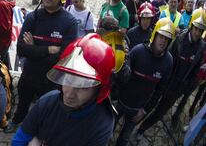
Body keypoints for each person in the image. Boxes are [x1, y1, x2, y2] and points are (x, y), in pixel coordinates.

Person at [5, 0, 78, 133]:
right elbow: (21, 49)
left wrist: (34, 49)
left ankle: (42, 130)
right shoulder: (32, 17)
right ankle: (17, 121)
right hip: (29, 75)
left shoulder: (70, 22)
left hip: (52, 80)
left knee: (47, 110)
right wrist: (48, 50)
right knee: (22, 103)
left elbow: (64, 58)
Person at [12, 33, 116, 146]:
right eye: (68, 80)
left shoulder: (102, 123)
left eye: (83, 87)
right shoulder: (47, 102)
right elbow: (18, 140)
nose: (69, 94)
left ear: (99, 89)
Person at [136, 8, 206, 138]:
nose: (197, 32)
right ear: (191, 26)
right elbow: (167, 58)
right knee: (149, 106)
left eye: (200, 30)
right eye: (196, 28)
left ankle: (142, 129)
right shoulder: (179, 39)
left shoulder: (202, 46)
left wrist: (186, 86)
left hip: (177, 88)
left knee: (160, 112)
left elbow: (196, 70)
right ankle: (135, 123)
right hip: (165, 82)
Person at [115, 18, 175, 146]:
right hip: (121, 101)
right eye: (161, 36)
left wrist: (145, 110)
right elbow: (122, 76)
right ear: (155, 35)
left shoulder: (168, 62)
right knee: (109, 129)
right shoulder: (138, 51)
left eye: (167, 38)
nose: (163, 41)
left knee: (124, 139)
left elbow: (160, 90)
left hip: (138, 109)